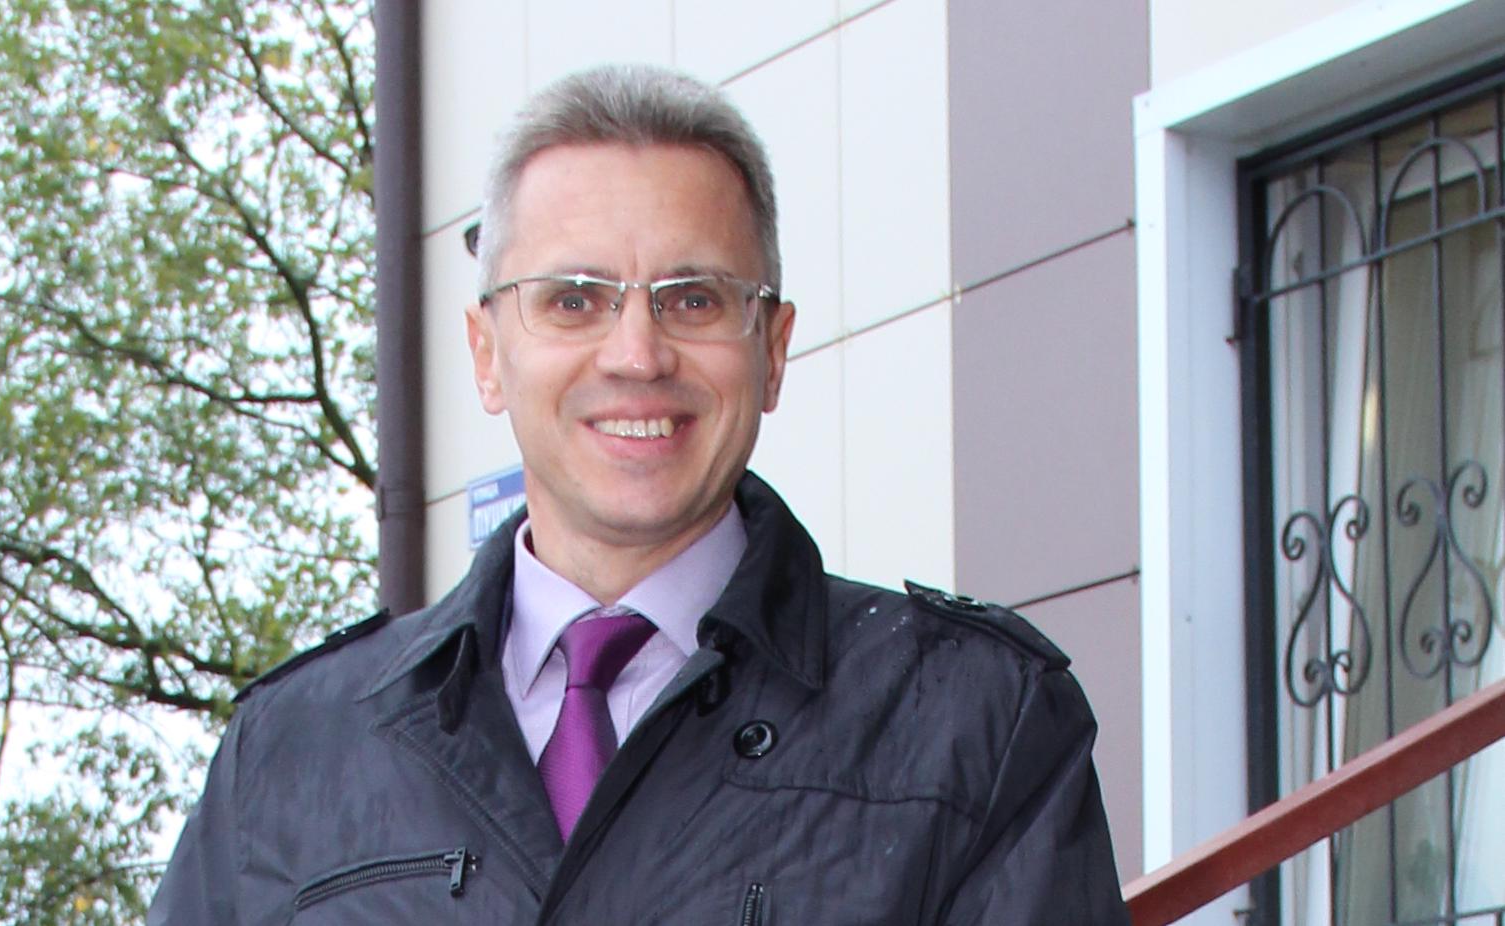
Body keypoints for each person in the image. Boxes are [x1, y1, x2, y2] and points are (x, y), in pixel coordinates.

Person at [149, 63, 1130, 925]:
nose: (636, 354)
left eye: (692, 299)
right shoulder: (292, 751)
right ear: (487, 353)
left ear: (772, 349)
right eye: (573, 299)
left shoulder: (974, 724)